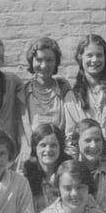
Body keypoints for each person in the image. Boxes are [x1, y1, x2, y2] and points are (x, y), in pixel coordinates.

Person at [62, 34, 106, 150]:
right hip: (87, 157)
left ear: (105, 58)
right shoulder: (71, 98)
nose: (95, 60)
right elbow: (70, 140)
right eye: (89, 55)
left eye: (99, 55)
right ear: (80, 57)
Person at [16, 37, 74, 167]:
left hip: (59, 157)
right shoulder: (23, 93)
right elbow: (20, 127)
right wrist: (25, 146)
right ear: (31, 61)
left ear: (56, 62)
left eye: (49, 60)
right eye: (39, 60)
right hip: (31, 158)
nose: (44, 65)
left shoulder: (64, 90)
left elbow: (69, 129)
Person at [20, 123, 73, 213]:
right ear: (35, 148)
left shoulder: (71, 174)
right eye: (43, 145)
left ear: (60, 148)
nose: (48, 150)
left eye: (53, 145)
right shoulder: (24, 178)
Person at [72, 119, 106, 213]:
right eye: (87, 140)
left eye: (97, 140)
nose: (93, 145)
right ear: (77, 142)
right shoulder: (70, 174)